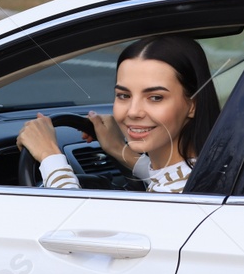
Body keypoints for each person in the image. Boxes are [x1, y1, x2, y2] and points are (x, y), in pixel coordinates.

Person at [17, 34, 221, 193]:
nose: (132, 112)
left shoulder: (177, 196)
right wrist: (118, 149)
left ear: (192, 105)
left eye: (155, 97)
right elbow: (164, 176)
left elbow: (75, 238)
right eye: (124, 95)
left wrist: (49, 155)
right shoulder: (203, 171)